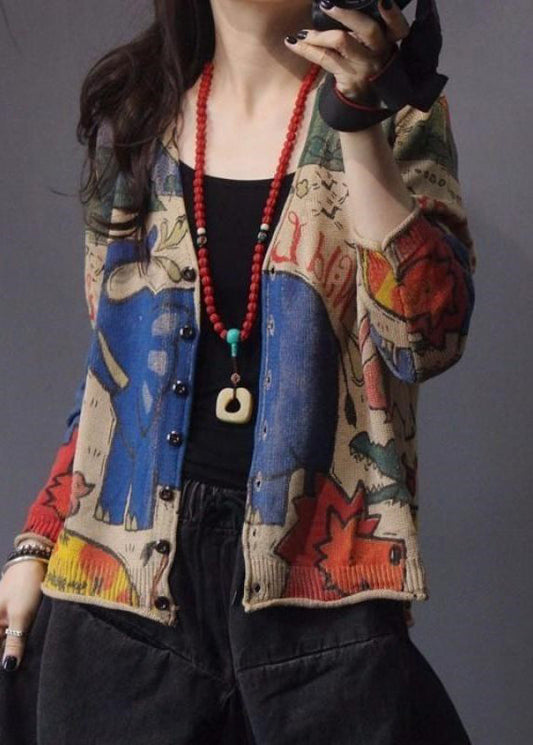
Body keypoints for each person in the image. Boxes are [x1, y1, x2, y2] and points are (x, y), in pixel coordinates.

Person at [0, 1, 477, 743]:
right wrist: (37, 541)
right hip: (122, 599)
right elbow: (108, 378)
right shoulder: (138, 112)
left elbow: (424, 339)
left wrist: (359, 121)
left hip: (319, 593)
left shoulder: (401, 112)